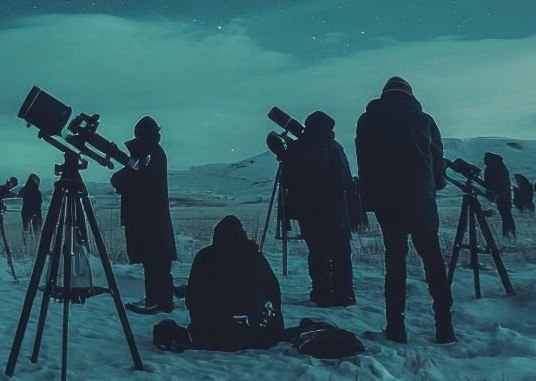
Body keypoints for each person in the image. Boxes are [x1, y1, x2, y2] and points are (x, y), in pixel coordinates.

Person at [355, 76, 455, 345]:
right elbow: (437, 162)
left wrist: (369, 199)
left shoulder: (368, 120)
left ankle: (395, 327)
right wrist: (433, 186)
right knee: (433, 261)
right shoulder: (424, 120)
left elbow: (364, 162)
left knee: (395, 263)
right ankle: (445, 328)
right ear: (410, 95)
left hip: (388, 202)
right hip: (420, 199)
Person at [279, 111, 358, 307]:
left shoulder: (298, 148)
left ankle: (322, 294)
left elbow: (286, 179)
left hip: (310, 210)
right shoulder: (336, 147)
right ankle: (345, 294)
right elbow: (346, 179)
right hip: (338, 209)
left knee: (318, 252)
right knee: (341, 253)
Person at [185, 215, 284, 350]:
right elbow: (272, 293)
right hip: (259, 333)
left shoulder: (205, 257)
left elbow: (192, 298)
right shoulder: (254, 258)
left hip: (212, 334)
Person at [111, 115, 178, 314]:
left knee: (154, 260)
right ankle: (162, 300)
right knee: (158, 260)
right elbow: (135, 169)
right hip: (152, 216)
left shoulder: (149, 154)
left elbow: (133, 176)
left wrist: (117, 176)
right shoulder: (153, 152)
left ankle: (155, 301)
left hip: (147, 216)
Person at [483, 152, 516, 238]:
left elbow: (499, 182)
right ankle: (509, 234)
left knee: (506, 215)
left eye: (485, 159)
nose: (484, 161)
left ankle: (507, 234)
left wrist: (496, 192)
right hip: (504, 195)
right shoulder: (499, 166)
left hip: (502, 195)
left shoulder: (494, 168)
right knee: (506, 215)